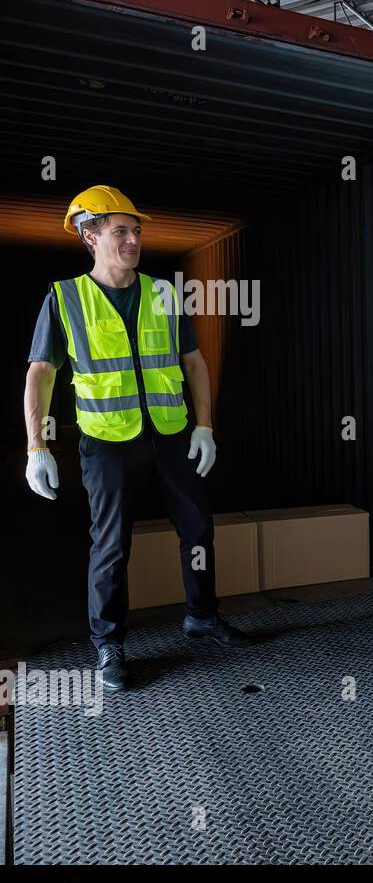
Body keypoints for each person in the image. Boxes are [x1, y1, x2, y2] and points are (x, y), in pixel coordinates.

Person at [22, 185, 250, 692]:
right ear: (89, 236)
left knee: (198, 530)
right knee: (111, 546)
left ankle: (202, 617)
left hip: (170, 434)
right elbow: (41, 372)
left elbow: (193, 362)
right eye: (120, 231)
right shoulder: (64, 299)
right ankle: (109, 644)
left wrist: (205, 426)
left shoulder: (163, 293)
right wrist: (36, 447)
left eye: (137, 231)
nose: (133, 240)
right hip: (107, 441)